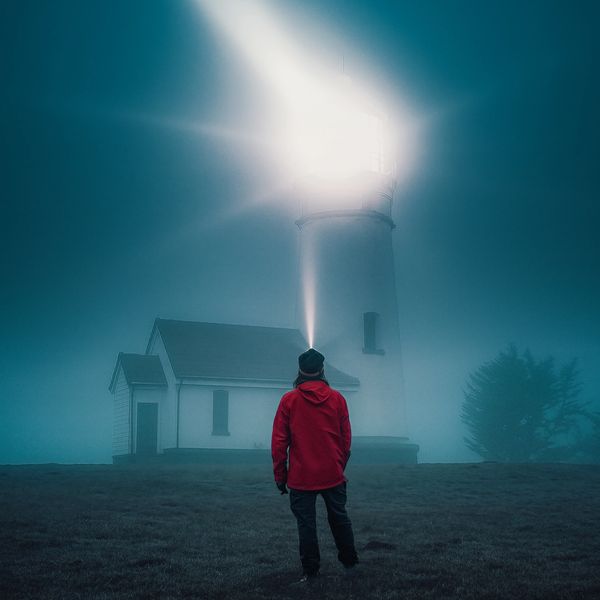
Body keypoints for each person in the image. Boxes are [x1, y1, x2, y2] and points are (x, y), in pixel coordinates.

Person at [271, 348, 359, 582]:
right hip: (332, 473)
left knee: (306, 524)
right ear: (322, 370)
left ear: (300, 372)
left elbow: (279, 442)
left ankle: (310, 572)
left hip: (301, 476)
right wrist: (339, 466)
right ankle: (350, 564)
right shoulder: (338, 399)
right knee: (339, 518)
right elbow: (346, 439)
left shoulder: (289, 400)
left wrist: (280, 476)